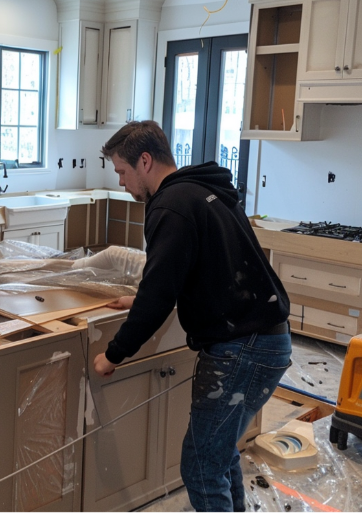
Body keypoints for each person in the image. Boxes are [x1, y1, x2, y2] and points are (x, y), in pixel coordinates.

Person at [93, 121, 292, 513]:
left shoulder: (170, 205)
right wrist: (139, 298)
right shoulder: (203, 190)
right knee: (218, 456)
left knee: (200, 467)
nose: (121, 183)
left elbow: (161, 294)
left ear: (144, 161)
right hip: (267, 339)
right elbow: (196, 270)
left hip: (241, 349)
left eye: (122, 171)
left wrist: (114, 354)